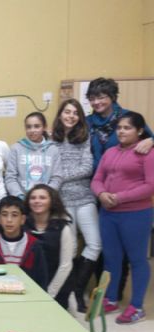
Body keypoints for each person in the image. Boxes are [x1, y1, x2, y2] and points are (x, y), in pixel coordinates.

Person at [91, 112, 154, 324]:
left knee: (137, 260)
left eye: (127, 128)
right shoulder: (110, 152)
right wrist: (101, 194)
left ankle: (137, 306)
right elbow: (98, 178)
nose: (121, 131)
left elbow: (150, 186)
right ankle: (111, 298)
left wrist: (119, 197)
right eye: (119, 127)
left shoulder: (147, 152)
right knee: (111, 259)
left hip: (136, 215)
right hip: (108, 214)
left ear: (139, 131)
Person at [51, 99, 101, 312]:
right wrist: (58, 179)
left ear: (80, 117)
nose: (71, 116)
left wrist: (60, 178)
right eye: (67, 112)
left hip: (85, 198)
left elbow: (87, 168)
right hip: (62, 201)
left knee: (95, 244)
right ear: (60, 114)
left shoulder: (84, 137)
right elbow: (50, 166)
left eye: (75, 113)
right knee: (69, 250)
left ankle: (79, 289)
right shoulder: (50, 139)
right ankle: (71, 292)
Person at [86, 77, 153, 172]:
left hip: (124, 177)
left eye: (101, 97)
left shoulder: (128, 117)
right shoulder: (87, 121)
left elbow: (151, 137)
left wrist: (151, 141)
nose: (96, 102)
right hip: (94, 178)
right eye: (92, 98)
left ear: (112, 97)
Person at [24, 185, 76, 309]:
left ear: (51, 202)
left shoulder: (63, 228)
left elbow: (66, 265)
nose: (37, 201)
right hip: (27, 285)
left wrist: (49, 294)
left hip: (55, 287)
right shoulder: (22, 225)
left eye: (42, 198)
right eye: (33, 198)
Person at [0, 196, 48, 289]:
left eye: (15, 215)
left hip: (28, 296)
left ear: (23, 219)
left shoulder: (34, 245)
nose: (9, 220)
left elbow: (42, 280)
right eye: (4, 215)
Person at [5, 112, 62, 199]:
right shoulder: (16, 148)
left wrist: (46, 196)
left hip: (45, 201)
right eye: (29, 127)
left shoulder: (53, 150)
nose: (32, 130)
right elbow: (10, 177)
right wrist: (19, 196)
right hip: (22, 200)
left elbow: (56, 178)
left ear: (44, 127)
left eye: (37, 126)